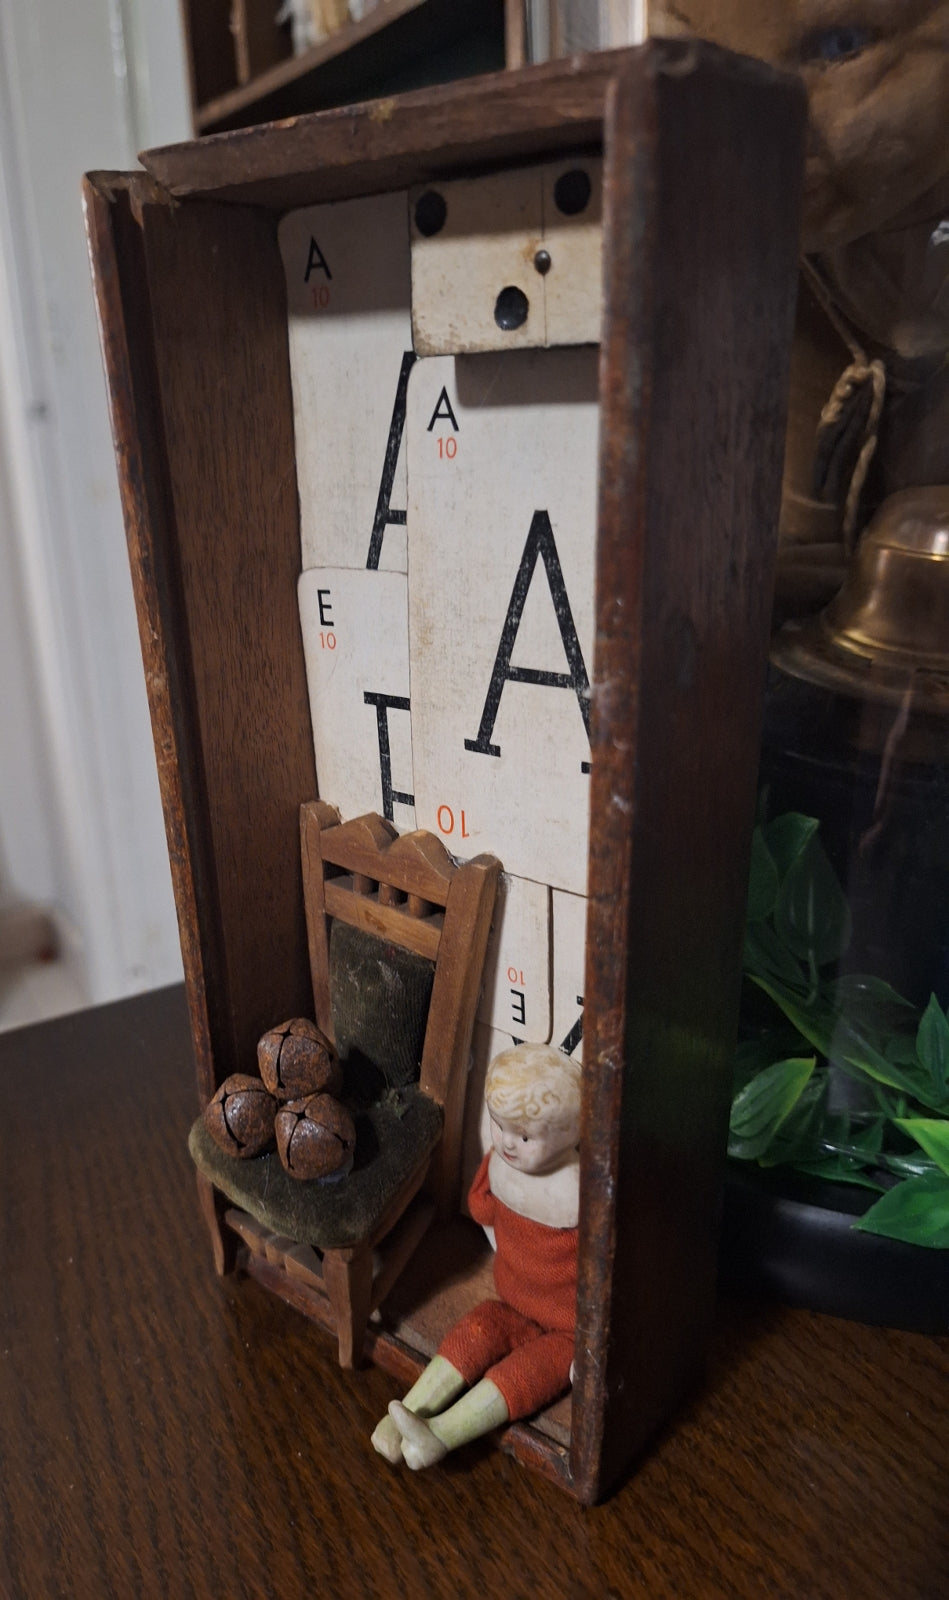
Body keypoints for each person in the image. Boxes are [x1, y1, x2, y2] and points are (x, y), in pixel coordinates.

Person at [371, 1041, 581, 1469]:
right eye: (500, 1125)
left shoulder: (583, 1195)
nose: (507, 1143)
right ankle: (406, 1414)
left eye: (524, 1136)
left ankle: (443, 1434)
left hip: (568, 1328)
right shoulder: (500, 1165)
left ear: (572, 1133)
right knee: (479, 1328)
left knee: (529, 1372)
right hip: (512, 1299)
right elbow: (482, 1208)